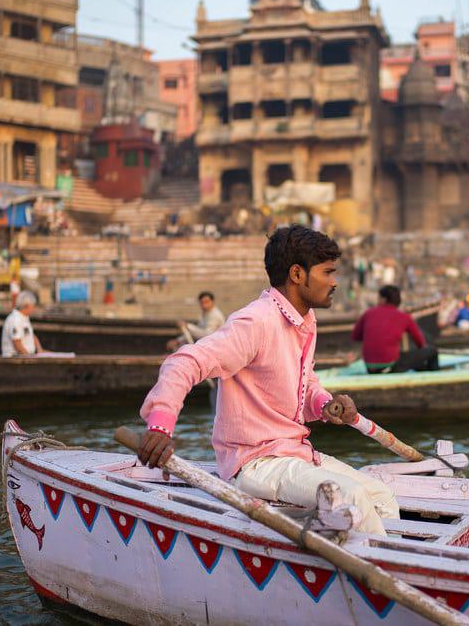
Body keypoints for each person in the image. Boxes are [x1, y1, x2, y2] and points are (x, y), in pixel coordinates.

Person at [136, 226, 398, 536]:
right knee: (350, 497)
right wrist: (160, 425)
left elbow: (305, 384)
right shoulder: (256, 321)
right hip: (255, 463)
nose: (334, 281)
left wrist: (325, 404)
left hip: (295, 452)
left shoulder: (305, 321)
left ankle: (390, 561)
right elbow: (185, 362)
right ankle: (379, 578)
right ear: (298, 274)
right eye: (328, 272)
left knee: (382, 498)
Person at [352, 285, 438, 374]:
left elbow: (356, 336)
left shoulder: (368, 313)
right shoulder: (404, 316)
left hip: (370, 367)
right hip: (391, 365)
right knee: (432, 352)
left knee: (407, 359)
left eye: (378, 298)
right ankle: (436, 379)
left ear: (383, 299)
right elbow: (420, 343)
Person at [2, 291, 44, 357]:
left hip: (25, 356)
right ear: (27, 305)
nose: (34, 308)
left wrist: (39, 349)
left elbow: (30, 334)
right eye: (33, 306)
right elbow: (17, 344)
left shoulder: (24, 317)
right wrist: (29, 358)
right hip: (15, 359)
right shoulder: (15, 319)